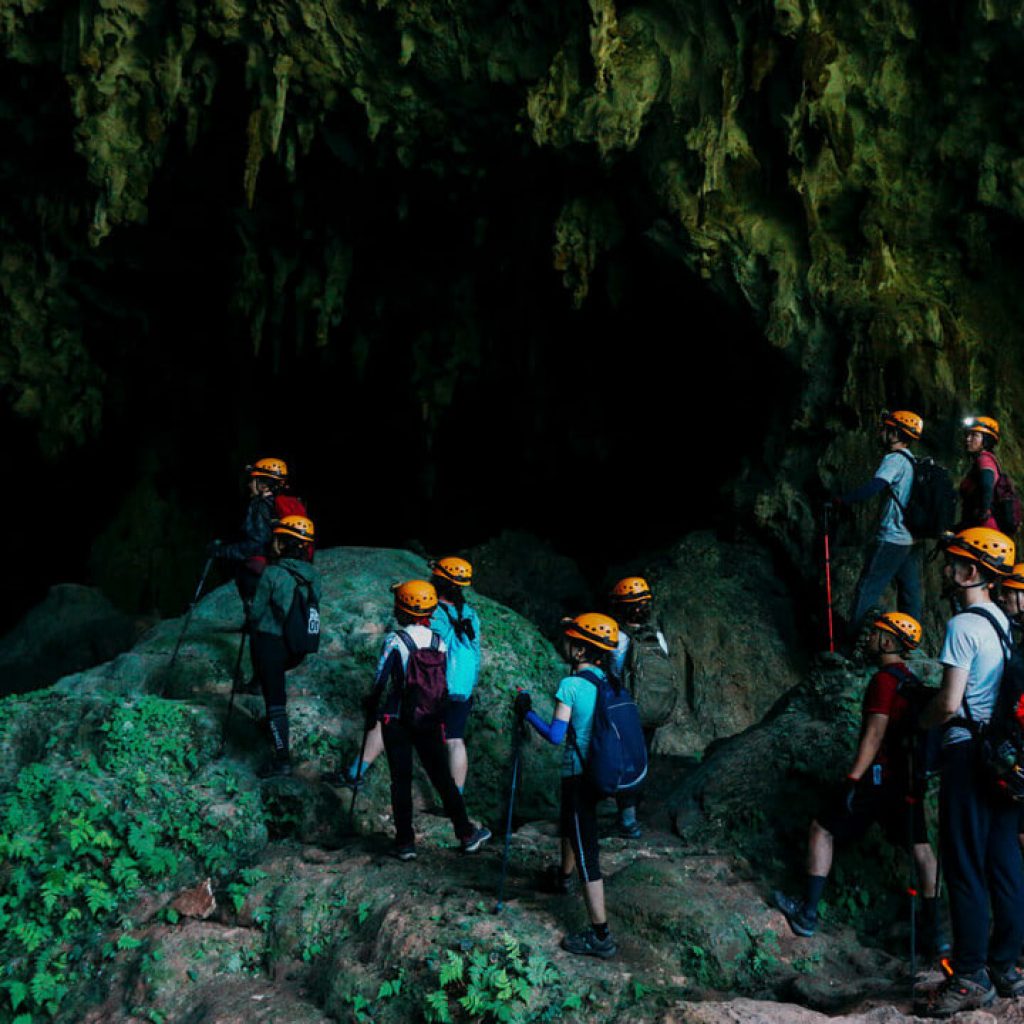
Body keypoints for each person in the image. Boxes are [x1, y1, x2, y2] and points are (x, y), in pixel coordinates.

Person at [772, 612, 946, 954]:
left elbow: (874, 734)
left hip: (878, 777)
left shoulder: (884, 681)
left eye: (875, 634)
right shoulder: (908, 679)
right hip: (907, 780)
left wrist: (852, 780)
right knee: (921, 848)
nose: (868, 639)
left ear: (887, 641)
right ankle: (935, 933)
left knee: (822, 828)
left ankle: (807, 914)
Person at [915, 528, 1024, 1016]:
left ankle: (971, 975)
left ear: (971, 571)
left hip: (967, 756)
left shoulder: (963, 625)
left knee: (963, 866)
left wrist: (920, 723)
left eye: (952, 562)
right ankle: (1005, 967)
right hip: (1003, 759)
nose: (945, 570)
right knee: (1005, 864)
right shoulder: (1002, 621)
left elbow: (949, 703)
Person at [515, 613, 620, 959]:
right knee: (569, 824)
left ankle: (601, 935)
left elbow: (555, 735)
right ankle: (562, 876)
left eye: (569, 638)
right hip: (598, 773)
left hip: (578, 776)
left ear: (579, 650)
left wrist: (527, 712)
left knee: (587, 850)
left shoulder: (571, 685)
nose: (564, 641)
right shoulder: (607, 681)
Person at [363, 579, 491, 861]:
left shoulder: (396, 640)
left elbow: (380, 681)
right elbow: (441, 684)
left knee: (401, 780)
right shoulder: (438, 641)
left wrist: (371, 710)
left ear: (404, 610)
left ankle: (405, 842)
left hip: (396, 719)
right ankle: (466, 834)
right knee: (442, 778)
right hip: (429, 719)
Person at [247, 515, 321, 778]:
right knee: (273, 679)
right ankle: (259, 682)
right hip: (298, 648)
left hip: (272, 646)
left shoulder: (273, 573)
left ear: (283, 542)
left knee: (275, 702)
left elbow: (256, 614)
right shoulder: (313, 576)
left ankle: (281, 759)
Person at [840, 410, 924, 641]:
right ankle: (910, 641)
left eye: (885, 428)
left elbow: (875, 486)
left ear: (895, 433)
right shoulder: (914, 462)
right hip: (910, 537)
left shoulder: (895, 459)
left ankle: (851, 642)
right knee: (910, 592)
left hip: (893, 537)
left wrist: (842, 500)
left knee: (868, 587)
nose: (881, 432)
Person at [608, 576, 677, 839]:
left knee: (622, 760)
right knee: (641, 758)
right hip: (653, 709)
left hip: (626, 708)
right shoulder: (657, 636)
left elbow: (612, 672)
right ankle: (633, 811)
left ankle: (627, 820)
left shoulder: (619, 638)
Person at [429, 557, 482, 794]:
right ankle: (456, 797)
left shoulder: (432, 611)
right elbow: (476, 650)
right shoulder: (470, 613)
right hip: (463, 686)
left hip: (441, 684)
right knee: (455, 739)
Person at [210, 458, 294, 604]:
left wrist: (221, 551)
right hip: (282, 566)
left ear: (263, 485)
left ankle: (255, 624)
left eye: (253, 480)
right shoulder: (282, 505)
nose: (249, 484)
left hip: (263, 569)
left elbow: (256, 545)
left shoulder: (260, 506)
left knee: (254, 598)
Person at [957, 416, 1002, 532]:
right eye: (968, 435)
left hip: (983, 528)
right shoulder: (983, 461)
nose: (968, 439)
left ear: (986, 440)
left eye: (974, 436)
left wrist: (983, 511)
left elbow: (987, 484)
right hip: (979, 526)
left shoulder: (984, 459)